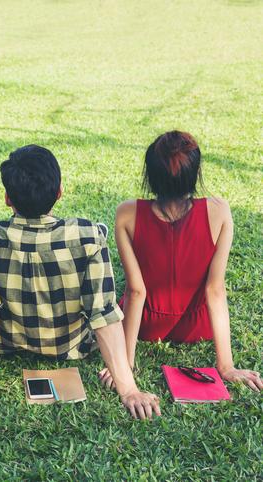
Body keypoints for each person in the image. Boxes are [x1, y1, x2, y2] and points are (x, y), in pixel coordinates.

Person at [0, 145, 161, 420]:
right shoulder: (89, 236)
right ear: (59, 192)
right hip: (72, 348)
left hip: (9, 345)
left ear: (8, 198)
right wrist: (128, 390)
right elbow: (103, 314)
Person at [99, 131, 262, 391]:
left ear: (150, 177)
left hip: (147, 327)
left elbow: (136, 291)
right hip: (198, 327)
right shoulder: (220, 211)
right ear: (195, 175)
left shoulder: (126, 214)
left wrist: (126, 362)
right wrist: (226, 367)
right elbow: (215, 290)